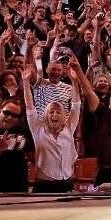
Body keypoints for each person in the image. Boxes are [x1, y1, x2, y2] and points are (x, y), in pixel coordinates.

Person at [21, 60, 81, 192]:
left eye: (58, 112)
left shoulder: (69, 128)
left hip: (67, 184)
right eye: (51, 112)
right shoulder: (38, 130)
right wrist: (25, 82)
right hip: (44, 185)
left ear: (64, 116)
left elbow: (76, 105)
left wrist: (75, 81)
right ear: (45, 115)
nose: (54, 114)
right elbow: (30, 107)